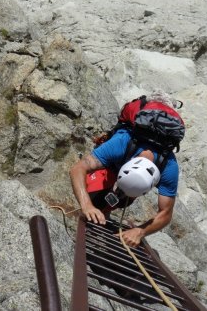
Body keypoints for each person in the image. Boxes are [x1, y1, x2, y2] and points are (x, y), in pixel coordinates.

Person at [69, 92, 182, 248]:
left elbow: (166, 213)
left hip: (128, 171)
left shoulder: (169, 166)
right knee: (93, 191)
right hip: (113, 165)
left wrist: (140, 231)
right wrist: (87, 205)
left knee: (121, 199)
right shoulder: (122, 142)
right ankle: (90, 219)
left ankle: (104, 214)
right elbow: (78, 168)